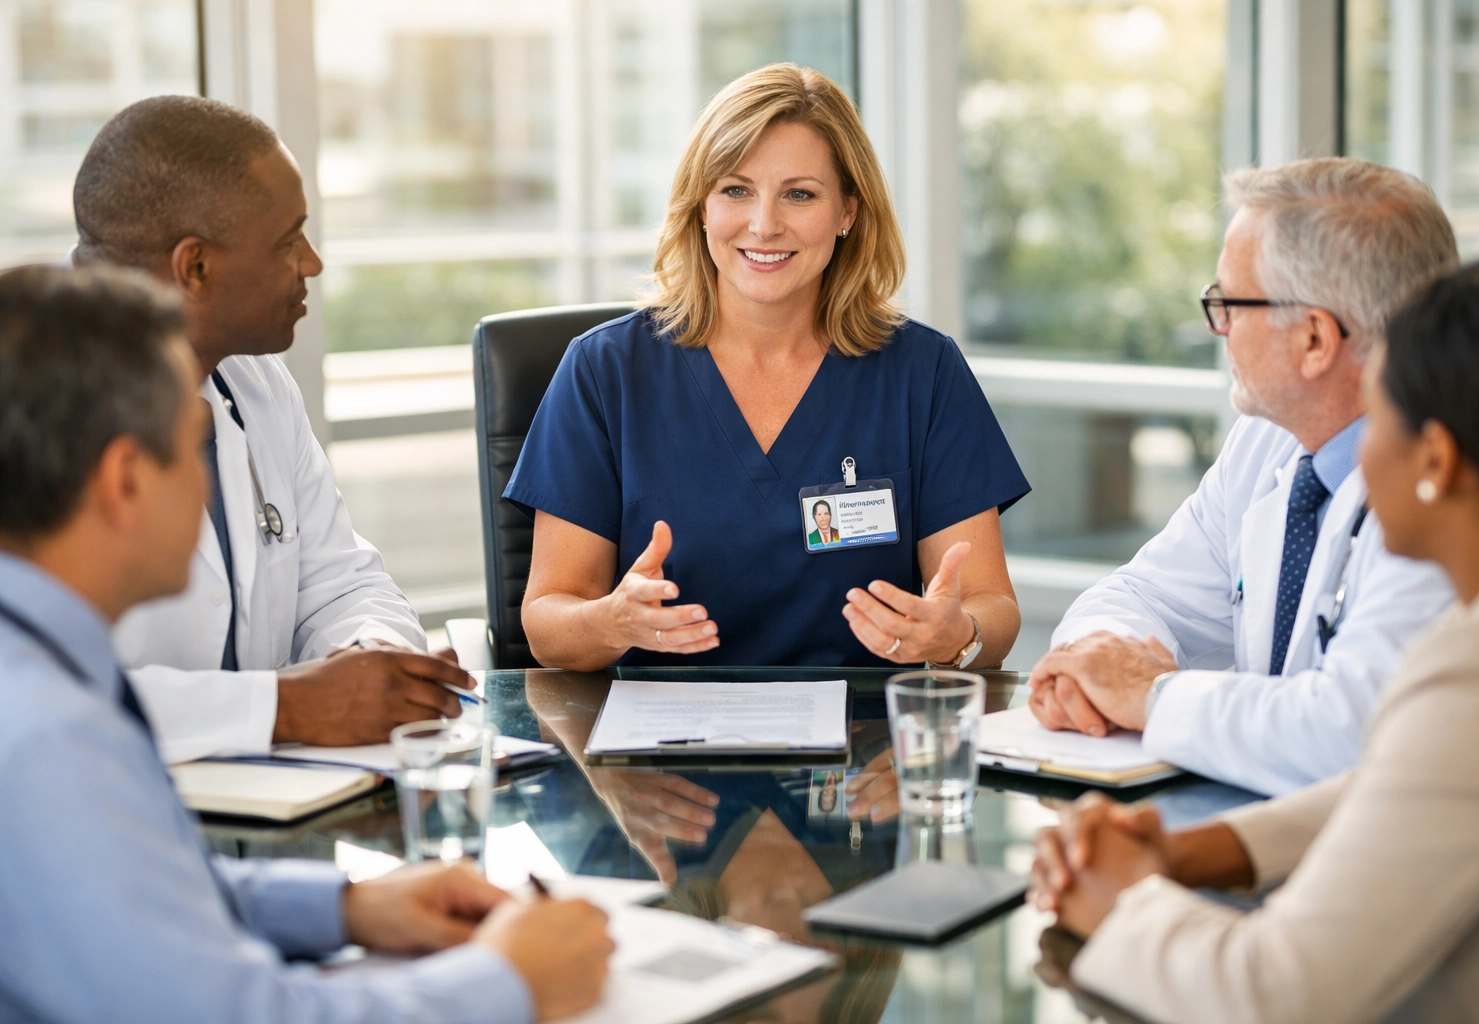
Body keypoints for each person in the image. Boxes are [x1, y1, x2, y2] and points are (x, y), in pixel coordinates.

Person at [0, 264, 613, 1022]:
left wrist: (345, 908)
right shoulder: (47, 735)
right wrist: (511, 980)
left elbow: (124, 891)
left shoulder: (38, 663)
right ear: (125, 481)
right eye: (192, 446)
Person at [1029, 258, 1479, 1024]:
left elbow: (1273, 993)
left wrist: (1121, 899)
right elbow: (1401, 784)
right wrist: (1181, 850)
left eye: (1379, 411)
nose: (1357, 447)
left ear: (1436, 460)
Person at [508, 64, 1029, 670]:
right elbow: (548, 623)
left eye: (800, 194)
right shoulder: (604, 372)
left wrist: (957, 635)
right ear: (700, 207)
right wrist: (609, 620)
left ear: (848, 213)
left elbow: (993, 605)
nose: (764, 224)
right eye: (735, 190)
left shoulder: (924, 371)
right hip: (663, 745)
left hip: (863, 746)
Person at [1028, 158, 1458, 795]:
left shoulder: (1448, 491)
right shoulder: (1270, 442)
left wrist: (1151, 695)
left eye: (1229, 303)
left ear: (1314, 339)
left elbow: (1348, 732)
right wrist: (1095, 668)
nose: (1218, 327)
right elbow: (1142, 594)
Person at [71, 95, 469, 765]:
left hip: (270, 815)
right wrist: (290, 706)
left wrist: (368, 663)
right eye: (289, 241)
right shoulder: (25, 402)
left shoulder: (251, 379)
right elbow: (27, 689)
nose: (311, 263)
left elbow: (342, 581)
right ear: (194, 267)